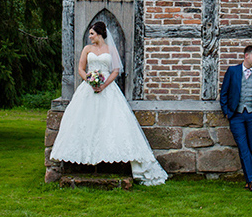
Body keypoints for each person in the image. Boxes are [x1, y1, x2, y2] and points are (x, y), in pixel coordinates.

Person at [50, 21, 167, 185]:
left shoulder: (111, 50)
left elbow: (116, 70)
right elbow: (81, 69)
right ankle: (84, 157)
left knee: (112, 122)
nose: (90, 37)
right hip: (88, 89)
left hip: (108, 88)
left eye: (92, 34)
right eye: (89, 34)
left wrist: (104, 85)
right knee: (83, 121)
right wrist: (90, 81)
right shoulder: (87, 49)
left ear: (99, 34)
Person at [219, 44, 252, 191]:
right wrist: (227, 112)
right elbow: (224, 93)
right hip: (236, 115)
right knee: (243, 146)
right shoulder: (233, 71)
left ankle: (250, 181)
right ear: (246, 56)